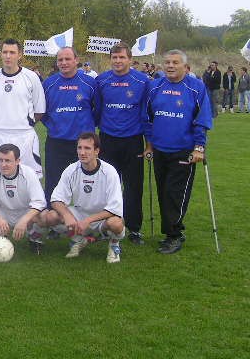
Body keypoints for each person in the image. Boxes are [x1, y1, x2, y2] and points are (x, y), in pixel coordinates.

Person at [143, 49, 212, 254]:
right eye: (167, 62)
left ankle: (175, 235)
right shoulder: (155, 86)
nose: (170, 66)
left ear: (184, 66)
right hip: (160, 150)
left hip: (183, 151)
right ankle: (170, 232)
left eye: (175, 62)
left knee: (175, 194)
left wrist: (199, 147)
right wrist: (149, 145)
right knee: (164, 192)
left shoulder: (196, 87)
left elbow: (202, 119)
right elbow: (147, 118)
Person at [42, 132, 125, 263]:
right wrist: (67, 216)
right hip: (80, 215)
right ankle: (79, 239)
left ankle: (114, 245)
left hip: (102, 218)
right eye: (79, 148)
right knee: (51, 216)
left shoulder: (109, 172)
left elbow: (115, 209)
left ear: (97, 151)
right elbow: (56, 199)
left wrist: (89, 221)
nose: (82, 152)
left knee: (116, 223)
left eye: (87, 148)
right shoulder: (71, 170)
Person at [95, 43, 149, 245]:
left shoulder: (142, 81)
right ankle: (105, 226)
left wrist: (148, 143)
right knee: (108, 185)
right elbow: (98, 110)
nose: (117, 61)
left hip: (133, 140)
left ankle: (134, 228)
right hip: (108, 139)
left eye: (121, 57)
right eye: (114, 57)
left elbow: (145, 113)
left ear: (130, 58)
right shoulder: (102, 80)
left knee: (133, 186)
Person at [41, 47, 98, 204]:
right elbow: (43, 113)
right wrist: (56, 126)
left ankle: (86, 220)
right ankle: (53, 221)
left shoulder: (90, 83)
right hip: (56, 142)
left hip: (83, 144)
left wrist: (85, 128)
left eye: (67, 59)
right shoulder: (49, 84)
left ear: (76, 60)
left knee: (87, 183)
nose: (64, 63)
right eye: (60, 60)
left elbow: (97, 111)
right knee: (54, 183)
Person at [0, 39, 45, 177]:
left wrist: (25, 123)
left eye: (12, 52)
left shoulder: (31, 77)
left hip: (25, 136)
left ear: (20, 55)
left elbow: (39, 110)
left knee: (29, 178)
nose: (8, 56)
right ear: (0, 54)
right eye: (5, 52)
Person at [0, 144, 47, 254]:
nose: (3, 165)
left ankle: (34, 235)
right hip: (1, 211)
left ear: (17, 161)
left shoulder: (29, 173)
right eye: (0, 160)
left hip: (24, 211)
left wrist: (24, 220)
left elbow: (40, 202)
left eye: (8, 161)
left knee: (45, 216)